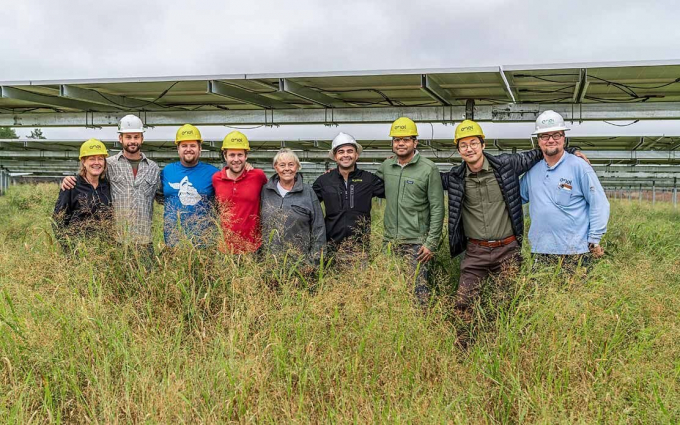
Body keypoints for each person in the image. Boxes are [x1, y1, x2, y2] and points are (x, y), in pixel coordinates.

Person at [441, 119, 589, 314]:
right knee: (463, 303)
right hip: (475, 252)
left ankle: (501, 340)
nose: (469, 149)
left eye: (474, 143)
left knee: (509, 304)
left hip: (507, 250)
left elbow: (542, 150)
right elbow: (424, 179)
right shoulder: (455, 178)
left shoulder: (506, 165)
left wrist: (572, 150)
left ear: (483, 145)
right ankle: (465, 342)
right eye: (463, 145)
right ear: (459, 150)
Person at [61, 115, 160, 257]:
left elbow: (162, 196)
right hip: (116, 241)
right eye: (128, 137)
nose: (132, 141)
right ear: (121, 139)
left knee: (146, 278)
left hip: (145, 241)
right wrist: (69, 179)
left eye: (136, 137)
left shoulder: (153, 168)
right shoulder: (109, 164)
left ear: (142, 139)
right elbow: (90, 176)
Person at [520, 110, 610, 266]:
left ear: (564, 138)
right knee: (541, 290)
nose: (551, 140)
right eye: (545, 136)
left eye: (556, 135)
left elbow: (599, 202)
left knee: (575, 291)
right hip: (541, 250)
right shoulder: (533, 170)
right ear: (538, 140)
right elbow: (516, 197)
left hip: (575, 251)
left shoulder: (579, 166)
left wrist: (594, 239)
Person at [375, 117, 444, 304]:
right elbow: (369, 184)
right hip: (389, 243)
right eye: (397, 140)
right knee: (389, 291)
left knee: (417, 292)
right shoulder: (386, 166)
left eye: (406, 139)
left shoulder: (428, 169)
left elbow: (437, 208)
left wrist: (431, 243)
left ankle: (420, 329)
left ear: (415, 142)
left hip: (416, 244)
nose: (401, 144)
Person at [312, 132, 384, 256]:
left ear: (356, 155)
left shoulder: (369, 179)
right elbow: (308, 204)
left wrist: (394, 165)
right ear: (335, 157)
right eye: (341, 152)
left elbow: (393, 192)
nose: (346, 155)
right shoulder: (324, 181)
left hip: (360, 248)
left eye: (350, 151)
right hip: (331, 246)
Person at [156, 124, 219, 247]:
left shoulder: (213, 173)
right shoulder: (167, 171)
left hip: (205, 244)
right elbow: (159, 197)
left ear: (200, 148)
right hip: (173, 242)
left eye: (193, 146)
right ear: (178, 149)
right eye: (184, 146)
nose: (188, 149)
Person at [260, 148, 326, 265]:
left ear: (297, 167)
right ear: (275, 167)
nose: (287, 169)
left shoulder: (308, 192)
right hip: (269, 262)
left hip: (300, 263)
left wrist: (313, 261)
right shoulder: (265, 191)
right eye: (282, 165)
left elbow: (318, 227)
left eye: (291, 164)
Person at [212, 131, 268, 254]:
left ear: (246, 156)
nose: (236, 159)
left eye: (240, 155)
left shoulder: (258, 176)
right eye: (232, 155)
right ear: (225, 156)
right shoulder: (216, 179)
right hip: (225, 249)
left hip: (253, 248)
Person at [53, 139, 113, 250]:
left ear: (104, 162)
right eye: (92, 159)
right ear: (83, 162)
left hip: (105, 250)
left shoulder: (108, 186)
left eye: (100, 159)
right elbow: (58, 220)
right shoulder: (71, 185)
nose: (96, 162)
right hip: (79, 251)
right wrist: (68, 248)